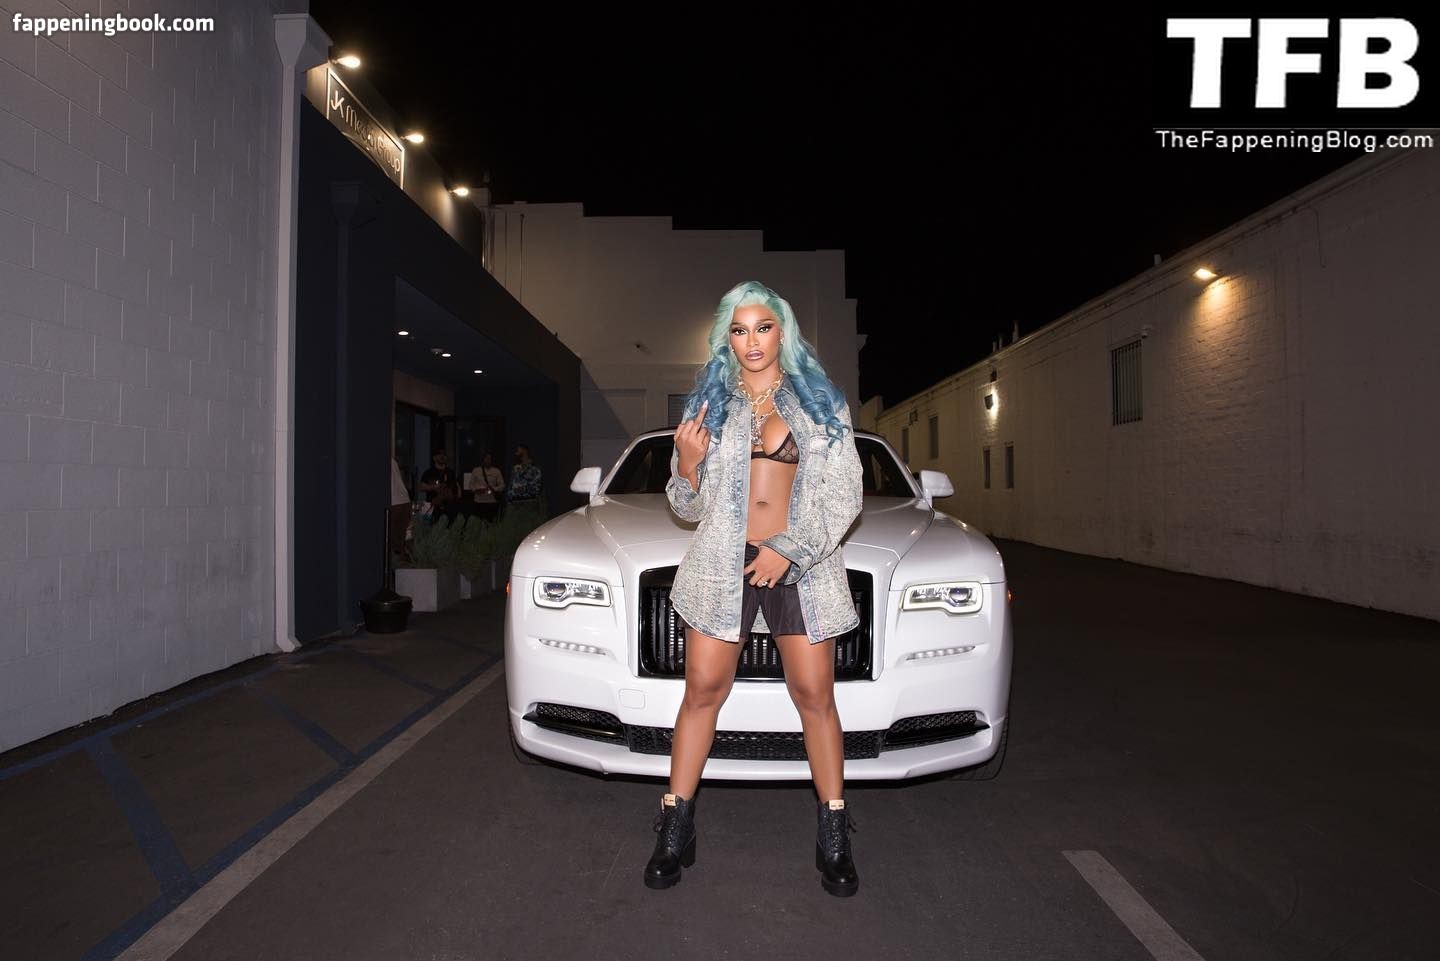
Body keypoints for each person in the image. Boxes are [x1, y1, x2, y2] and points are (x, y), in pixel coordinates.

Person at [645, 280, 864, 897]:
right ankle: (674, 827)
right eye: (739, 331)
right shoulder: (710, 406)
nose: (752, 341)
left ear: (782, 331)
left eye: (763, 327)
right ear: (726, 339)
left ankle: (834, 833)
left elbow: (845, 494)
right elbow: (688, 507)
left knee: (815, 697)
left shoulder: (820, 402)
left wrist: (787, 549)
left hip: (801, 562)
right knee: (701, 693)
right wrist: (688, 464)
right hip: (723, 562)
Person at [419, 450, 459, 519]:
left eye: (444, 455)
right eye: (439, 454)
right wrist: (435, 487)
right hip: (433, 507)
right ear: (434, 458)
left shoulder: (450, 472)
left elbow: (456, 488)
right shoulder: (428, 472)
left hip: (449, 507)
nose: (442, 456)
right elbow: (421, 487)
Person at [467, 452, 505, 521]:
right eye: (486, 458)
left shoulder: (496, 471)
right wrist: (476, 490)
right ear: (483, 459)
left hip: (492, 502)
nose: (488, 460)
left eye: (489, 459)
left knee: (490, 522)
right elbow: (470, 485)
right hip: (478, 502)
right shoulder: (476, 470)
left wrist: (494, 489)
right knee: (478, 522)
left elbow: (502, 485)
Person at [389, 457, 411, 561]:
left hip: (393, 502)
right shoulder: (392, 461)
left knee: (393, 541)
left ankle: (396, 564)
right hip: (404, 500)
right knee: (402, 540)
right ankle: (403, 561)